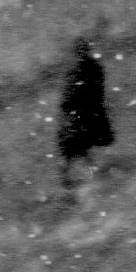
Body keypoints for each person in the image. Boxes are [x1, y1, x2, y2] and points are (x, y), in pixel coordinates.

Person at [53, 38, 113, 191]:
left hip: (79, 115)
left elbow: (69, 96)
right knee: (81, 146)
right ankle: (90, 175)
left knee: (72, 148)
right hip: (87, 114)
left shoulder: (76, 71)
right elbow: (96, 91)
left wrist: (68, 110)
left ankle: (73, 178)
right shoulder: (94, 68)